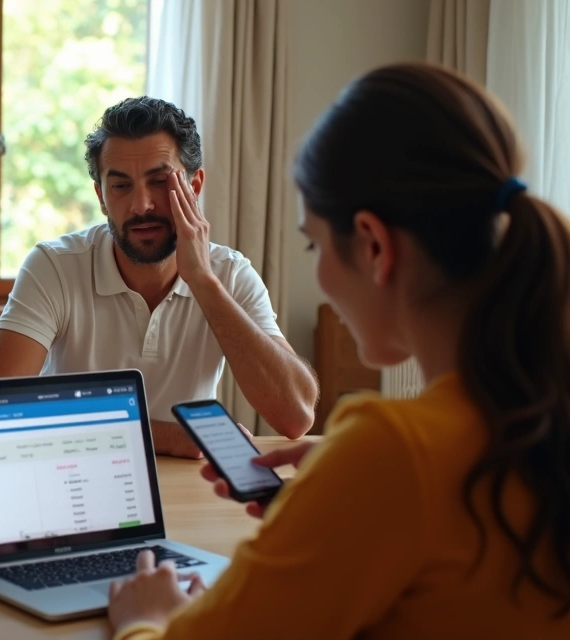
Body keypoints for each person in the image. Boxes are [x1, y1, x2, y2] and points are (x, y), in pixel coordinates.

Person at [106, 62, 570, 639]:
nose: (320, 276)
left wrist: (142, 621)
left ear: (374, 246)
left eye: (313, 243)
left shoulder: (392, 452)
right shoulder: (531, 412)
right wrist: (340, 475)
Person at [0, 96, 317, 457]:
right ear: (101, 196)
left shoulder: (229, 274)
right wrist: (169, 437)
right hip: (75, 475)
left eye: (159, 181)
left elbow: (296, 416)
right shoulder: (56, 266)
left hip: (192, 494)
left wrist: (203, 281)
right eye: (121, 186)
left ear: (195, 186)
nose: (141, 206)